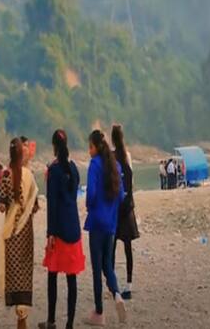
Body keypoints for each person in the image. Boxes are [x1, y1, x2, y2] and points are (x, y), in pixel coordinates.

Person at [39, 130, 85, 329]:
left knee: (53, 274)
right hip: (73, 227)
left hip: (58, 229)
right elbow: (73, 195)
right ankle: (70, 324)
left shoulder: (54, 170)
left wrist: (50, 233)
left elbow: (52, 204)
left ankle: (51, 321)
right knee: (71, 277)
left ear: (54, 147)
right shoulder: (73, 168)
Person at [83, 130, 127, 326]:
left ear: (96, 147)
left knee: (96, 269)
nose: (89, 150)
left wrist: (90, 206)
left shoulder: (94, 165)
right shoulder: (116, 165)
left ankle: (99, 312)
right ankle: (117, 294)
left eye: (90, 147)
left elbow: (91, 193)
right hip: (110, 223)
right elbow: (121, 196)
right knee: (108, 264)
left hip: (96, 222)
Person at [0, 138, 39, 329]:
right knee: (25, 270)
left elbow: (2, 205)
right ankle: (22, 317)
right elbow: (35, 206)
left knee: (13, 271)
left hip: (12, 231)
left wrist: (11, 208)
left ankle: (20, 314)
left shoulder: (6, 175)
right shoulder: (29, 176)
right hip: (26, 231)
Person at [111, 125, 140, 301]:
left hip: (115, 208)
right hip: (127, 207)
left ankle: (113, 285)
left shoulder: (111, 157)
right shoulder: (127, 156)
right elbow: (131, 181)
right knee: (128, 247)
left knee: (112, 248)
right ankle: (129, 285)